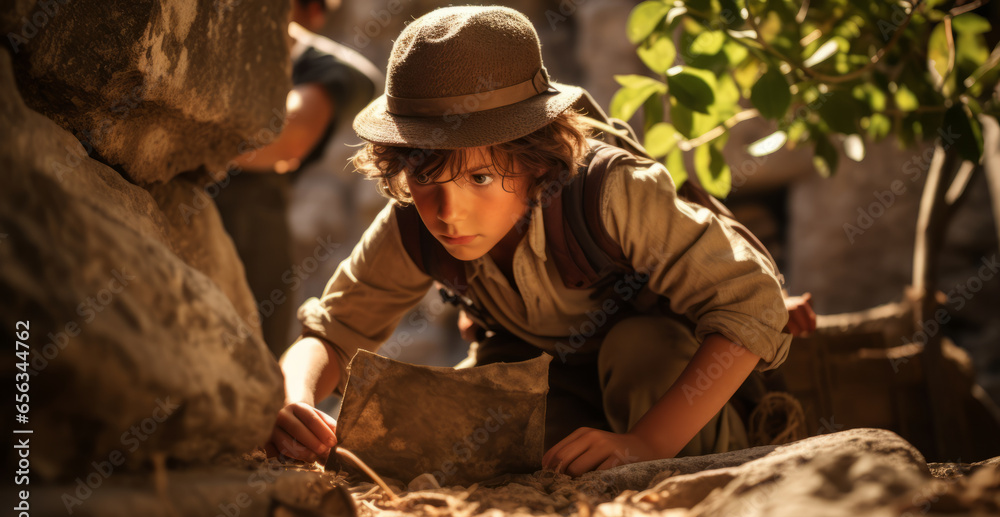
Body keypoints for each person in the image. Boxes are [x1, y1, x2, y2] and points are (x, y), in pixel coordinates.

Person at [267, 6, 809, 476]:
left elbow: (750, 302)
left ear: (537, 161)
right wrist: (295, 399)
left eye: (480, 178)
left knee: (641, 348)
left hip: (665, 391)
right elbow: (332, 332)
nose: (448, 213)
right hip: (549, 385)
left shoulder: (610, 191)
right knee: (437, 424)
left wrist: (646, 445)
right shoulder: (411, 221)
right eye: (426, 177)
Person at [215, 0, 380, 356]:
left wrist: (174, 137)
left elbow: (280, 141)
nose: (318, 14)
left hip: (250, 238)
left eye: (323, 5)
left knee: (249, 360)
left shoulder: (332, 69)